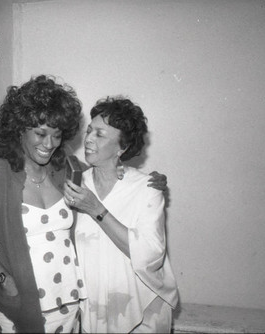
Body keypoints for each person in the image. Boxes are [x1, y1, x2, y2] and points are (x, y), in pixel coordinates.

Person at [0, 75, 167, 333]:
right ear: (19, 128)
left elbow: (107, 175)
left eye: (57, 135)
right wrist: (5, 281)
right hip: (20, 304)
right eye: (40, 133)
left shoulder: (66, 170)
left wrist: (153, 182)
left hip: (69, 302)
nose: (49, 144)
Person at [64, 96, 178, 333]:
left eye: (101, 134)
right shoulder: (75, 185)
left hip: (141, 317)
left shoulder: (146, 189)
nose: (88, 140)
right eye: (89, 131)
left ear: (122, 147)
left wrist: (96, 210)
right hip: (92, 313)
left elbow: (149, 254)